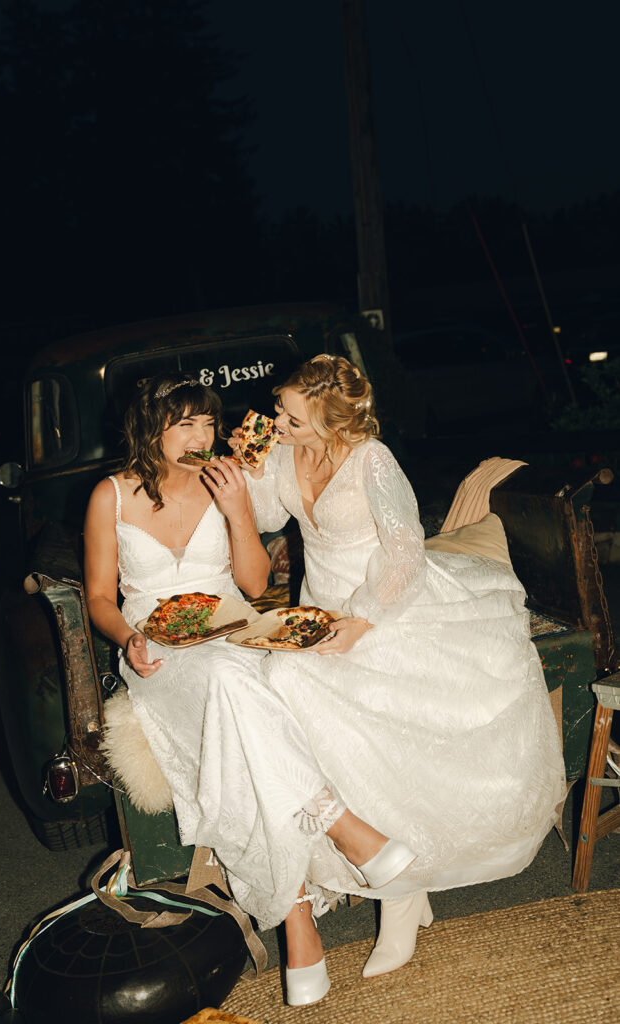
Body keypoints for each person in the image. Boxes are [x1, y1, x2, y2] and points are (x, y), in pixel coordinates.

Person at [83, 372, 424, 1008]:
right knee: (229, 681)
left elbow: (253, 576)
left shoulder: (226, 482)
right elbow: (102, 597)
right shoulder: (112, 495)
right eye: (184, 424)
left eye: (208, 423)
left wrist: (239, 509)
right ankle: (340, 825)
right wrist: (127, 637)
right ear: (148, 430)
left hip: (232, 622)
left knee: (236, 683)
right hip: (157, 645)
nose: (202, 436)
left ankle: (299, 922)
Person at [228, 353, 566, 984]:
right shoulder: (280, 448)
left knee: (335, 701)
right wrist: (242, 478)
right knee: (287, 686)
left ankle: (401, 896)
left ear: (331, 422)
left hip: (391, 606)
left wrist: (361, 620)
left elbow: (407, 552)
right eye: (279, 410)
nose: (279, 421)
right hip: (322, 609)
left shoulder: (373, 461)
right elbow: (271, 517)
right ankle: (400, 878)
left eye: (293, 417)